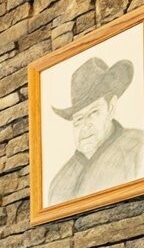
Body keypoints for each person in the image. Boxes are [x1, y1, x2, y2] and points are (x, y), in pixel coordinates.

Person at [47, 55, 144, 204]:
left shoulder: (138, 148)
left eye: (93, 113)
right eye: (78, 119)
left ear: (111, 108)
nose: (85, 126)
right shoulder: (58, 183)